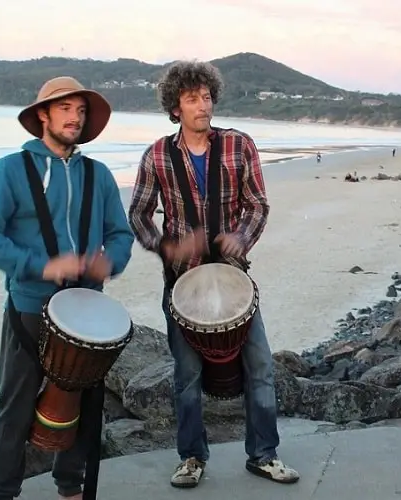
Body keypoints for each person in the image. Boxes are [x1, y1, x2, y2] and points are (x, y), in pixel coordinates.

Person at [127, 61, 299, 489]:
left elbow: (258, 204)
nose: (203, 106)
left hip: (234, 279)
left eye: (206, 97)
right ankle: (191, 457)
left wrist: (241, 238)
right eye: (192, 99)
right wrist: (166, 246)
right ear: (175, 108)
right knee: (186, 377)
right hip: (182, 285)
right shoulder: (157, 156)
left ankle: (263, 454)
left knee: (260, 367)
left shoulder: (239, 146)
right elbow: (139, 215)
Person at [0, 77, 134, 500]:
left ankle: (71, 487)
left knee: (89, 407)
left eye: (81, 110)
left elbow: (120, 234)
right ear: (43, 115)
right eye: (66, 108)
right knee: (15, 407)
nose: (75, 117)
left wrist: (111, 260)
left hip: (88, 311)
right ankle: (1, 492)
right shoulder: (10, 170)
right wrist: (42, 265)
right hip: (30, 307)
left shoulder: (99, 174)